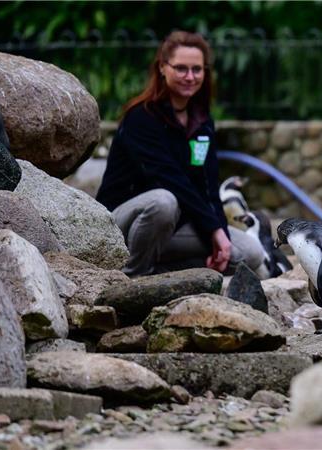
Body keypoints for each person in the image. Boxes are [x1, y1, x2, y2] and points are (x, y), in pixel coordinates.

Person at [96, 31, 265, 277]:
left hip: (174, 225)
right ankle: (132, 276)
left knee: (250, 253)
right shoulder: (141, 118)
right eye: (181, 68)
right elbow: (170, 179)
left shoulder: (202, 121)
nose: (190, 77)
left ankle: (163, 273)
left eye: (197, 69)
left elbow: (208, 186)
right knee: (164, 201)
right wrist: (212, 231)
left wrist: (221, 236)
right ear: (163, 68)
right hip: (123, 223)